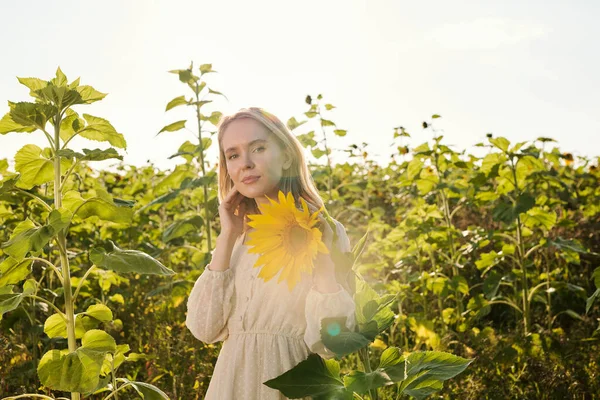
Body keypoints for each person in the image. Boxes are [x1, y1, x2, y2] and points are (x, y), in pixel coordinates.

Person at [185, 107, 356, 399]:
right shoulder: (238, 238)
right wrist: (227, 236)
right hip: (230, 385)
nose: (246, 164)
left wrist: (324, 264)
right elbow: (204, 328)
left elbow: (332, 342)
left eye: (259, 148)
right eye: (233, 155)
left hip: (290, 384)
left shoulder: (325, 230)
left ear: (287, 156)